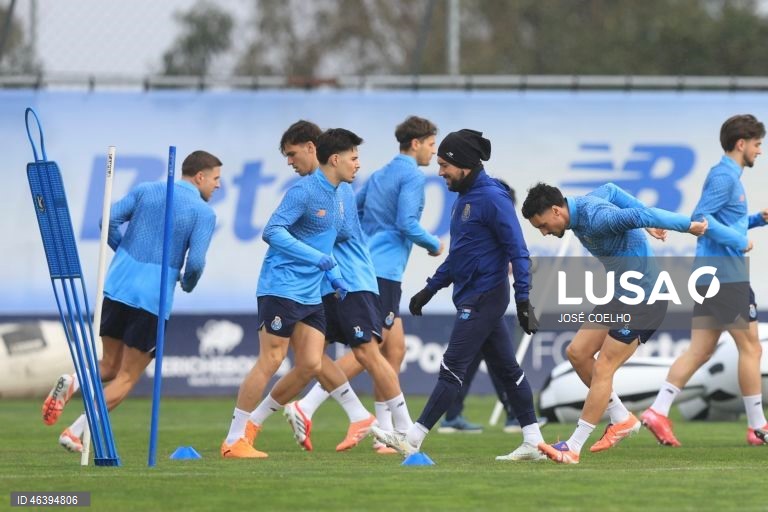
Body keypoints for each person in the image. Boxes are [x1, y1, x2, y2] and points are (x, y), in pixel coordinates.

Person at [372, 129, 546, 461]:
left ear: (463, 164)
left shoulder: (493, 199)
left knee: (452, 367)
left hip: (485, 296)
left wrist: (523, 298)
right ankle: (534, 441)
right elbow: (459, 256)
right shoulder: (464, 199)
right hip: (471, 296)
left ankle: (413, 438)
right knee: (509, 371)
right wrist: (430, 288)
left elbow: (519, 252)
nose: (440, 173)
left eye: (444, 166)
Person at [42, 150, 222, 452]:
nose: (218, 186)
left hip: (118, 285)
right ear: (200, 176)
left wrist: (123, 252)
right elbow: (196, 264)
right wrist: (186, 285)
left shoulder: (147, 189)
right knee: (127, 377)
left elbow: (106, 220)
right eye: (216, 179)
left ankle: (72, 381)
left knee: (108, 365)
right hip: (152, 298)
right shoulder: (204, 214)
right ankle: (75, 432)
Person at [521, 182, 707, 465]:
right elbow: (611, 189)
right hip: (621, 295)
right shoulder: (583, 205)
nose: (544, 232)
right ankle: (621, 418)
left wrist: (688, 226)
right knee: (577, 352)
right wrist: (643, 222)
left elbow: (645, 214)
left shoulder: (598, 218)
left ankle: (573, 447)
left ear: (557, 211)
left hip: (645, 299)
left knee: (604, 366)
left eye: (543, 225)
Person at [220, 128, 376, 458]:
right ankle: (234, 439)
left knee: (309, 363)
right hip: (281, 286)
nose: (358, 164)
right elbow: (272, 232)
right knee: (272, 359)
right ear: (335, 159)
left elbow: (330, 242)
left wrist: (334, 274)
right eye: (354, 158)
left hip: (311, 293)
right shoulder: (303, 192)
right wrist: (318, 259)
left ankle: (254, 426)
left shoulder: (340, 196)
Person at [293, 115, 444, 450]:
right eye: (432, 144)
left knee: (395, 348)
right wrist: (434, 243)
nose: (434, 153)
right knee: (369, 349)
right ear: (416, 143)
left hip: (368, 267)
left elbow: (353, 215)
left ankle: (384, 433)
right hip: (381, 272)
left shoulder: (377, 176)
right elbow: (407, 223)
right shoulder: (412, 178)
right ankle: (308, 405)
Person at [641, 114, 768, 447]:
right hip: (725, 275)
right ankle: (758, 427)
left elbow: (722, 221)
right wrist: (738, 241)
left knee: (700, 350)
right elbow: (700, 217)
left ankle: (657, 410)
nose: (759, 151)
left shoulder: (729, 177)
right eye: (757, 145)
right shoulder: (723, 176)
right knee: (751, 348)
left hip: (711, 274)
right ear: (741, 144)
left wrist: (758, 219)